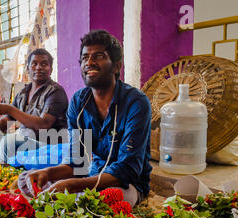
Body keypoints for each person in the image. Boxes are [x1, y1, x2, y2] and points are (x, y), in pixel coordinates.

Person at [27, 30, 152, 207]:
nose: (89, 62)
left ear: (116, 66)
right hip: (92, 175)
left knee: (106, 200)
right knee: (30, 180)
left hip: (126, 184)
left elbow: (128, 169)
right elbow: (78, 161)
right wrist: (48, 172)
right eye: (85, 57)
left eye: (98, 56)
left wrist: (73, 185)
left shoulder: (136, 103)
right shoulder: (79, 102)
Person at [0, 48, 69, 163]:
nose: (38, 67)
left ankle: (6, 171)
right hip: (26, 141)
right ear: (27, 69)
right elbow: (6, 121)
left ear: (51, 69)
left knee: (9, 141)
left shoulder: (55, 92)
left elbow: (44, 125)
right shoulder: (23, 93)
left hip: (49, 146)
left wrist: (10, 109)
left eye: (44, 64)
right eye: (34, 64)